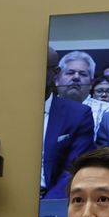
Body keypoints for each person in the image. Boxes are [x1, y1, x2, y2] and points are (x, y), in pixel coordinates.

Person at [42, 47, 95, 199]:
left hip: (55, 200)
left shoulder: (77, 114)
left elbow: (74, 168)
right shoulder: (7, 111)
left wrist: (47, 205)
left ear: (54, 73)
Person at [57, 50, 109, 139]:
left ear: (91, 84)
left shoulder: (107, 111)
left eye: (83, 74)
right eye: (70, 73)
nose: (76, 77)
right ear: (57, 80)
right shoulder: (44, 108)